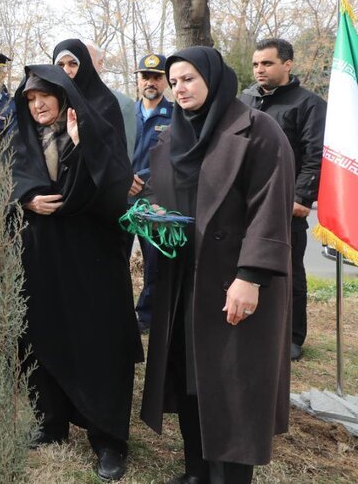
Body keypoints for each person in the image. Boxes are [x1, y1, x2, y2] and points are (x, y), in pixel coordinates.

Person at [140, 47, 293, 484]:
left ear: (213, 77)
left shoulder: (257, 130)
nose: (179, 88)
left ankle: (231, 477)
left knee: (233, 384)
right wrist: (148, 207)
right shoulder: (174, 135)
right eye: (174, 81)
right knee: (191, 376)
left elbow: (270, 206)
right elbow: (172, 196)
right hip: (185, 276)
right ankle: (197, 471)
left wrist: (251, 277)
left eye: (188, 78)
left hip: (234, 276)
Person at [10, 65, 142, 482]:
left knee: (99, 344)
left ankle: (109, 439)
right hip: (40, 257)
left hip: (93, 259)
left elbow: (117, 190)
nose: (37, 105)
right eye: (29, 99)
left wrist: (87, 147)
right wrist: (25, 198)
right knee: (42, 336)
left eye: (44, 96)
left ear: (65, 95)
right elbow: (3, 181)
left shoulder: (97, 129)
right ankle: (52, 422)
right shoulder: (19, 137)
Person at [240, 37, 326, 362]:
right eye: (256, 64)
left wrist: (302, 197)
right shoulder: (245, 99)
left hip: (286, 206)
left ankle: (291, 336)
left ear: (287, 65)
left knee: (288, 271)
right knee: (247, 267)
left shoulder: (309, 104)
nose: (259, 69)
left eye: (267, 63)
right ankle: (255, 327)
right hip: (246, 204)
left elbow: (316, 155)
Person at [129, 54, 173, 333]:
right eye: (145, 76)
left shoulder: (177, 114)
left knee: (153, 262)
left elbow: (176, 158)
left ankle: (147, 316)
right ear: (138, 79)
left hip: (153, 200)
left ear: (165, 81)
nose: (150, 82)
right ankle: (121, 313)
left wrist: (144, 182)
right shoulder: (124, 112)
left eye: (157, 77)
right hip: (122, 198)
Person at [85, 41, 137, 156]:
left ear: (100, 63)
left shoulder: (122, 104)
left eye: (87, 59)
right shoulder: (58, 101)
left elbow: (124, 159)